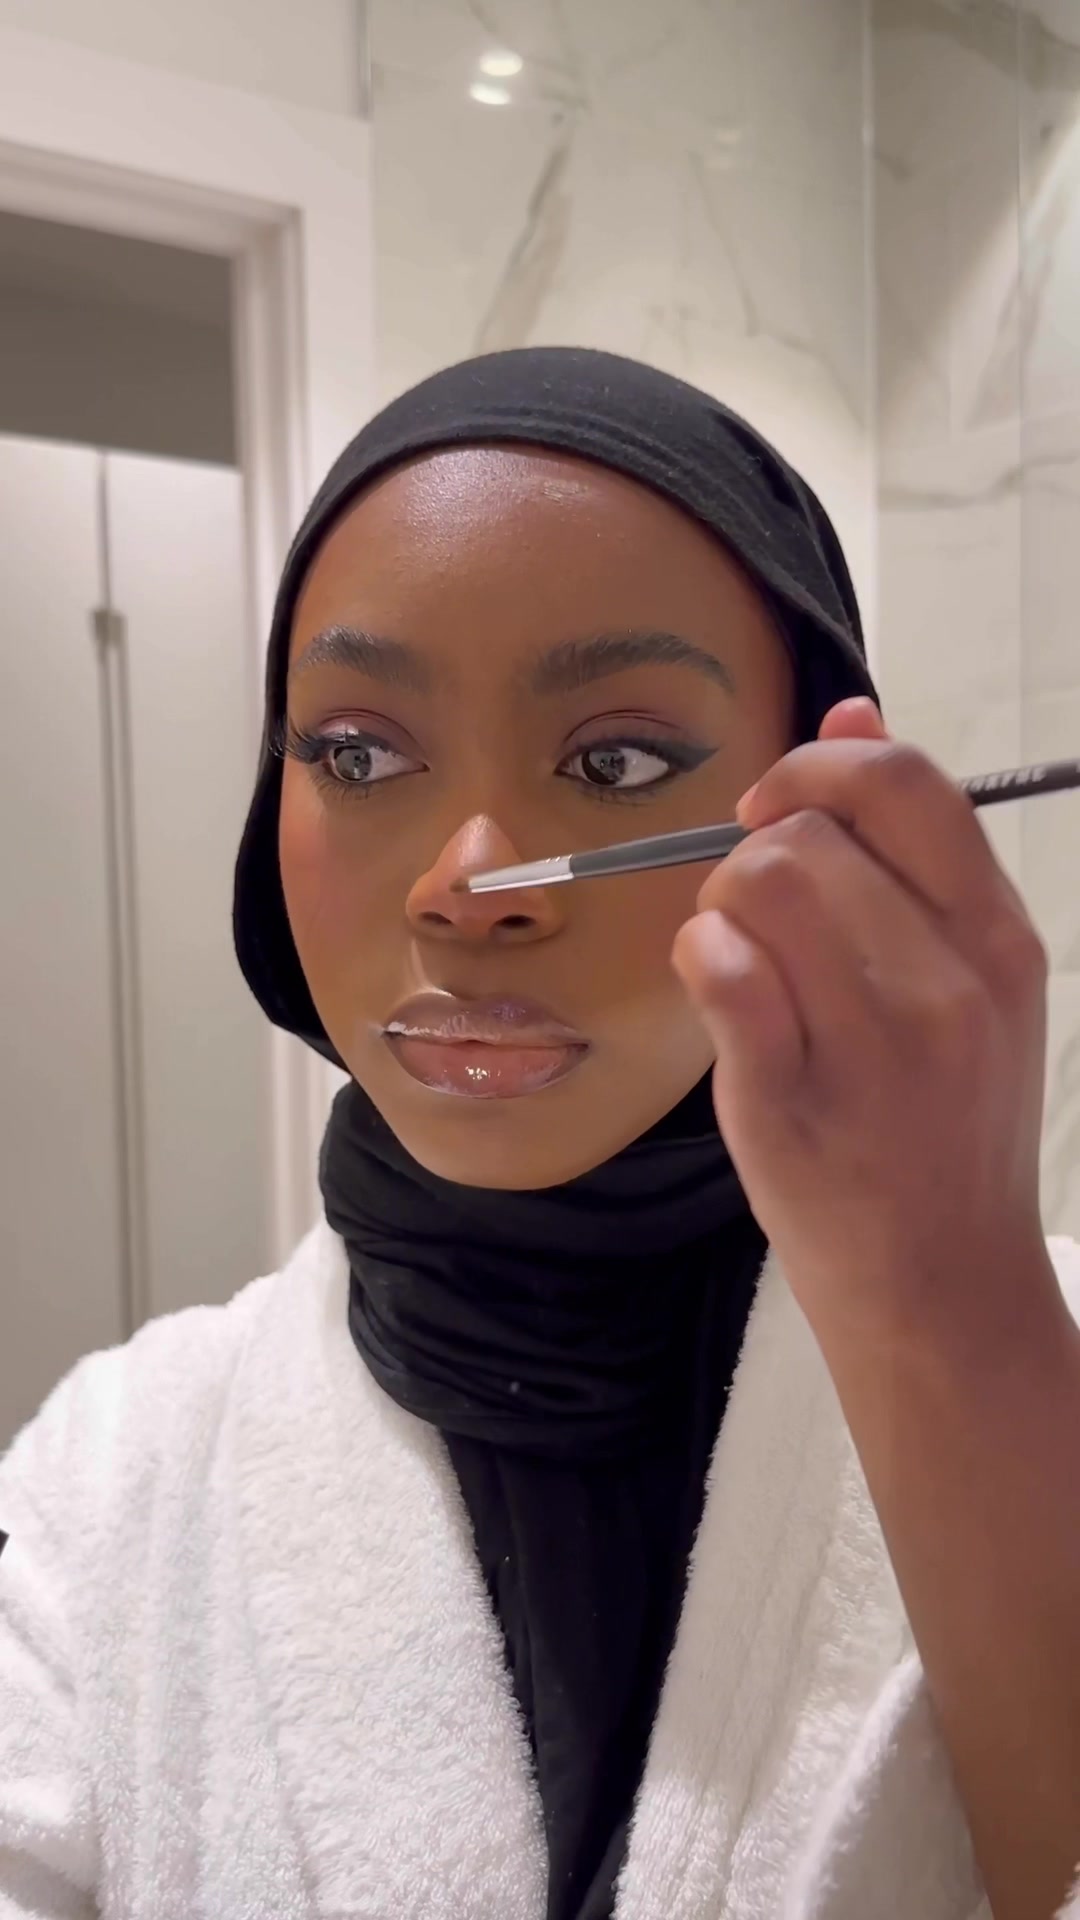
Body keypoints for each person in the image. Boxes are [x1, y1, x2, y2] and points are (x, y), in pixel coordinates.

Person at [1, 347, 1078, 1920]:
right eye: (358, 754)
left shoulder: (1036, 1350)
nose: (466, 888)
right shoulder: (110, 1477)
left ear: (820, 811)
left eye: (616, 761)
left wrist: (956, 1312)